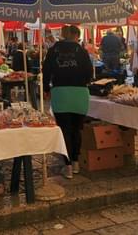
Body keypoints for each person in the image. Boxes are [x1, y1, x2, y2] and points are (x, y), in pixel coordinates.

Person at [43, 25, 92, 179]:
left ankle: (68, 166)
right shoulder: (82, 51)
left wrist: (45, 88)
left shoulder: (53, 50)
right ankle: (76, 162)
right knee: (77, 129)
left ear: (63, 35)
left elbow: (46, 71)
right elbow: (89, 73)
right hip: (80, 93)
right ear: (75, 35)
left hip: (60, 92)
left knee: (64, 130)